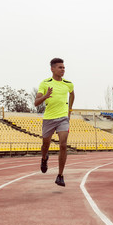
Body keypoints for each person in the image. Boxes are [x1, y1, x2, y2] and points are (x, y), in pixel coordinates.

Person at [34, 58, 75, 187]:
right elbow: (36, 102)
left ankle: (60, 175)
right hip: (49, 118)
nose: (63, 70)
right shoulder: (45, 83)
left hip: (63, 118)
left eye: (63, 67)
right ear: (52, 69)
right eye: (60, 67)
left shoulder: (68, 83)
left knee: (63, 144)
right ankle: (44, 158)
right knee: (45, 145)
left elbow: (72, 95)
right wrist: (46, 96)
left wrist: (69, 111)